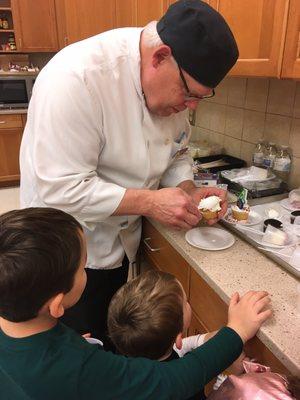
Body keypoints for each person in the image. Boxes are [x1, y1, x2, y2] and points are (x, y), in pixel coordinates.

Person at [19, 0, 239, 343]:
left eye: (200, 98)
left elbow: (178, 149)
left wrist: (186, 188)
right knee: (78, 352)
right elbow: (61, 189)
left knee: (112, 344)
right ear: (159, 56)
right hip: (66, 255)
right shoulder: (77, 79)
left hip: (120, 245)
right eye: (188, 93)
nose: (190, 106)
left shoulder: (171, 86)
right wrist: (152, 203)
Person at [0, 207, 272, 400]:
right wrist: (236, 331)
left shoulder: (16, 320)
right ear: (57, 304)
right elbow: (173, 380)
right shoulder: (79, 368)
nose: (87, 270)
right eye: (83, 267)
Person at [107, 270, 261, 399]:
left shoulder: (122, 357)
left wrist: (202, 340)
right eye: (186, 301)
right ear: (178, 338)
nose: (188, 303)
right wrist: (226, 376)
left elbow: (177, 349)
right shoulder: (183, 388)